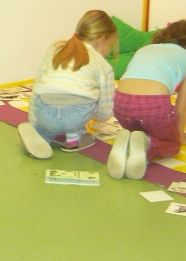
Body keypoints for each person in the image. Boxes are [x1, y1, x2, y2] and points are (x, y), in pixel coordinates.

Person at [107, 19, 186, 180]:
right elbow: (181, 105)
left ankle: (130, 142)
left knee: (139, 131)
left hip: (121, 104)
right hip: (153, 107)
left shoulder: (145, 49)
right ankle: (146, 145)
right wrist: (179, 135)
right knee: (171, 144)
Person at [18, 10, 118, 160]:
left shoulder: (55, 49)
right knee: (87, 97)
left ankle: (40, 134)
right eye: (110, 46)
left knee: (52, 102)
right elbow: (105, 111)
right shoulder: (103, 65)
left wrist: (33, 121)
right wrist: (98, 118)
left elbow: (37, 87)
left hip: (45, 112)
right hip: (76, 117)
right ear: (101, 40)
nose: (108, 51)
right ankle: (74, 139)